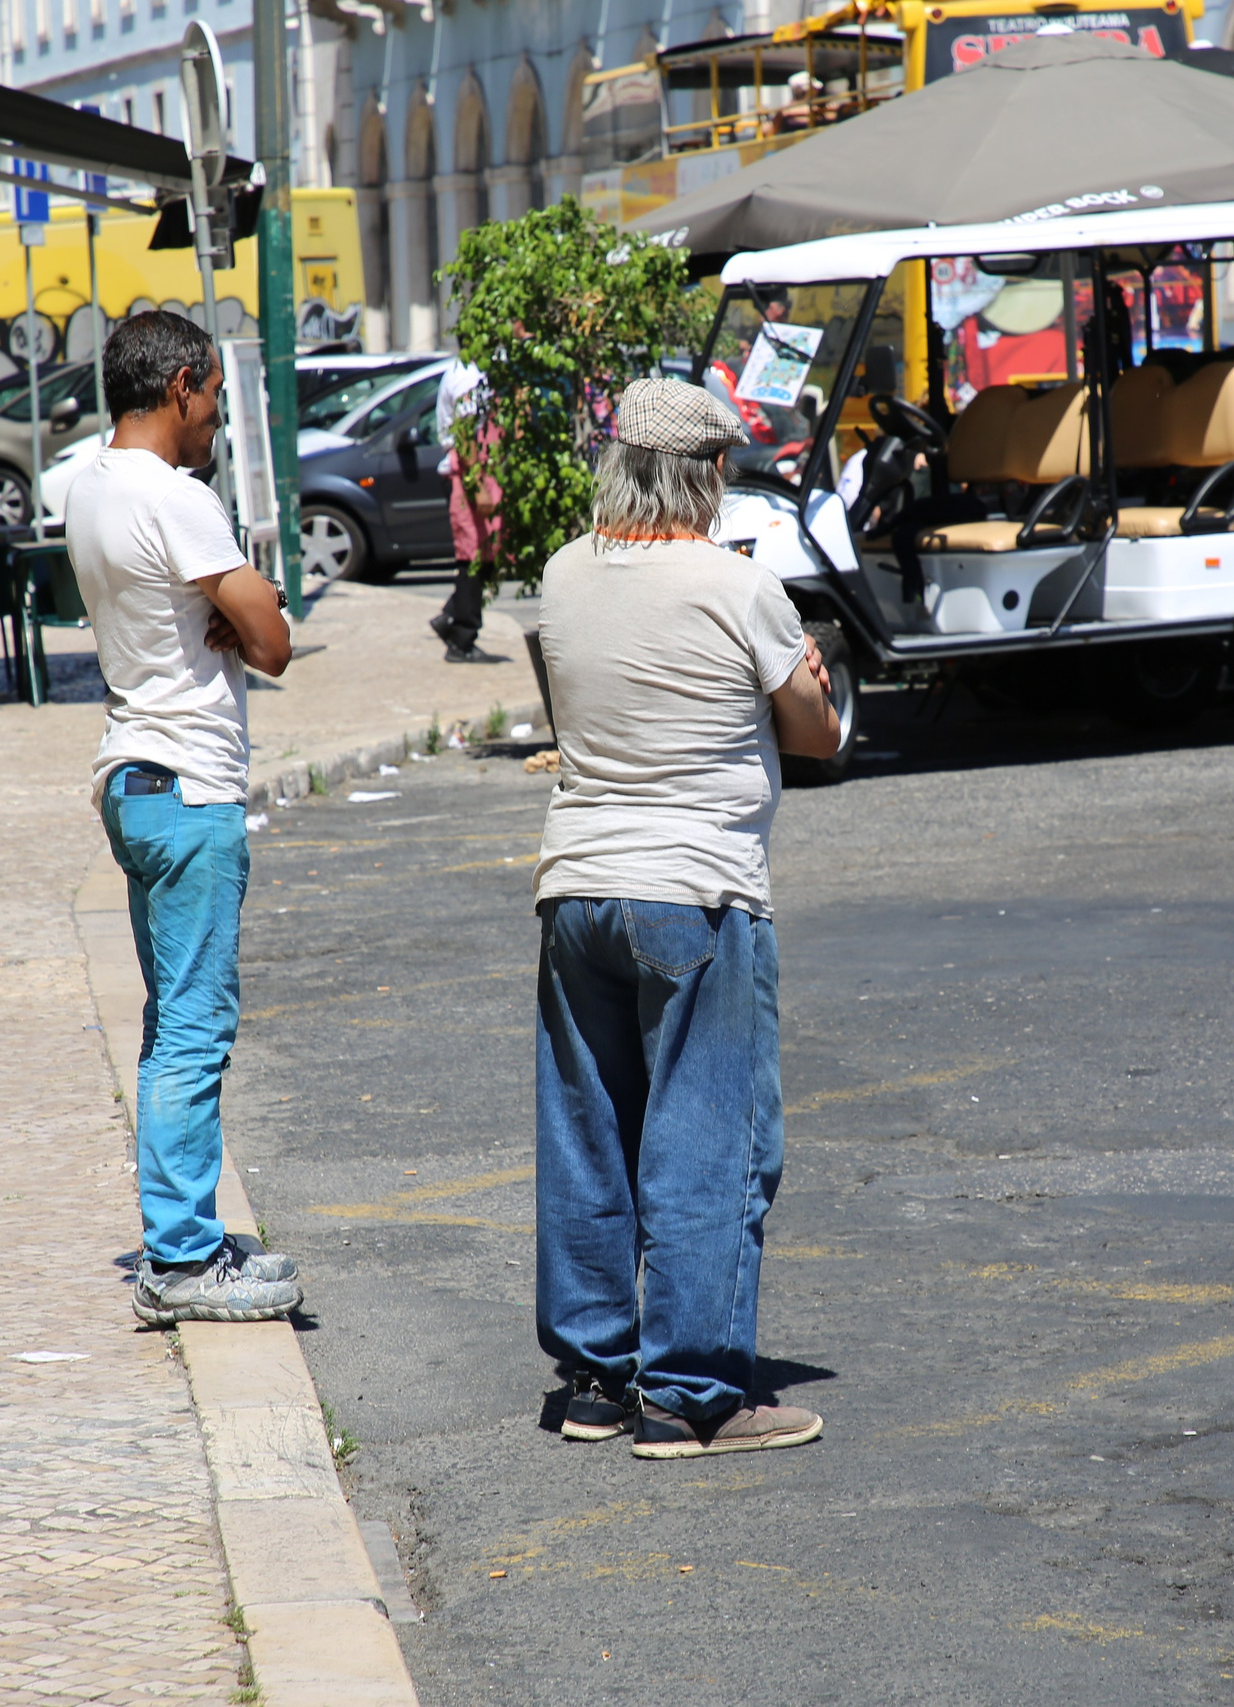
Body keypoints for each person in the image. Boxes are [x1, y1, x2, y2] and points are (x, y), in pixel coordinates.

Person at [531, 376, 843, 1460]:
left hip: (577, 885)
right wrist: (806, 681)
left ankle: (592, 1380)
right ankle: (692, 1391)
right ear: (709, 474)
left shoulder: (562, 576)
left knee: (589, 1135)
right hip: (695, 889)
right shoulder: (737, 587)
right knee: (708, 1140)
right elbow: (816, 736)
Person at [65, 309, 304, 1328]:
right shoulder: (180, 497)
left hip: (129, 773)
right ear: (184, 387)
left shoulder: (89, 485)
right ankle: (182, 1258)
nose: (214, 420)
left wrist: (240, 611)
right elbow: (274, 641)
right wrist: (251, 610)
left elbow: (236, 618)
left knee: (173, 1022)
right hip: (191, 780)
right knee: (193, 1034)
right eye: (209, 400)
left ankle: (184, 1239)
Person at [427, 360, 505, 664]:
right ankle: (461, 638)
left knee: (487, 555)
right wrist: (479, 486)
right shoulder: (466, 377)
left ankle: (450, 616)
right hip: (469, 476)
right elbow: (465, 435)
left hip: (484, 473)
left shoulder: (487, 372)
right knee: (472, 557)